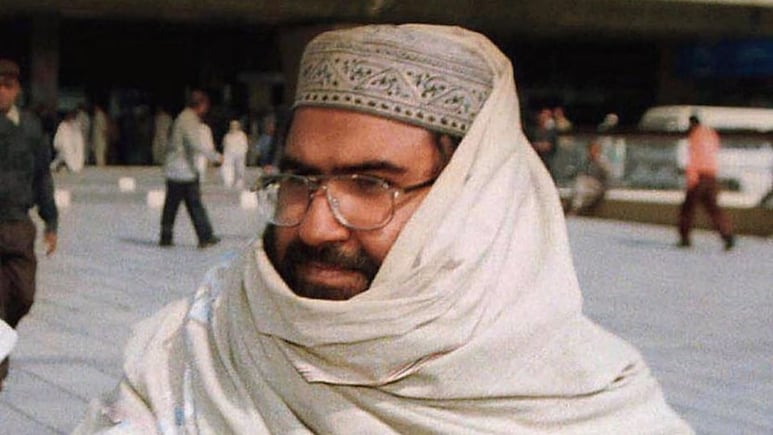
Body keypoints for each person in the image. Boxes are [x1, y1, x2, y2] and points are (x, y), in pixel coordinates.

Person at [75, 25, 692, 433]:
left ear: (471, 201)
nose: (316, 227)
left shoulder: (588, 406)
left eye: (371, 185)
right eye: (298, 179)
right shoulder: (196, 349)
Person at [0, 59, 58, 390]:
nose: (2, 92)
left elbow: (42, 177)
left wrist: (51, 221)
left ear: (16, 89)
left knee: (23, 296)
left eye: (7, 86)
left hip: (18, 225)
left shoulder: (30, 127)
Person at [158, 90, 222, 249]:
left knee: (176, 205)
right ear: (200, 105)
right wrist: (215, 157)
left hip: (179, 170)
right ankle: (204, 236)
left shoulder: (185, 117)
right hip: (182, 171)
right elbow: (194, 143)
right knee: (190, 205)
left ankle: (169, 236)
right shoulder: (188, 119)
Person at [678, 115, 735, 250]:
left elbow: (694, 157)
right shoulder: (711, 135)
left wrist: (691, 177)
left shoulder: (695, 136)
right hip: (711, 175)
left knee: (687, 209)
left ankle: (685, 238)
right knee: (713, 208)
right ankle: (727, 234)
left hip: (698, 176)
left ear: (692, 124)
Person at [567, 139, 612, 215]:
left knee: (581, 184)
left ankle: (575, 209)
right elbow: (581, 173)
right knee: (580, 185)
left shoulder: (602, 161)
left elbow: (607, 177)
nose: (591, 152)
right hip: (586, 186)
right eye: (590, 149)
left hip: (598, 186)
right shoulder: (586, 161)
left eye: (594, 149)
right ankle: (575, 208)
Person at [51, 109, 86, 173]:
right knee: (63, 157)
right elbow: (58, 138)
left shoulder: (75, 125)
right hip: (65, 147)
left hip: (72, 148)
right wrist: (59, 145)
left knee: (68, 157)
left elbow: (78, 137)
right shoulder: (63, 126)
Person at [529, 107, 558, 179]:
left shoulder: (552, 130)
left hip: (549, 160)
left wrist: (535, 145)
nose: (543, 117)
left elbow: (547, 146)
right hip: (537, 159)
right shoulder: (537, 130)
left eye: (546, 116)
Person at [221, 119, 249, 189]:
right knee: (227, 167)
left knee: (240, 168)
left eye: (235, 125)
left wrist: (242, 153)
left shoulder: (242, 135)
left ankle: (240, 181)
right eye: (232, 125)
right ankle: (228, 181)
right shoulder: (227, 136)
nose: (234, 127)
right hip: (229, 155)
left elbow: (244, 145)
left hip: (239, 154)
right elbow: (225, 145)